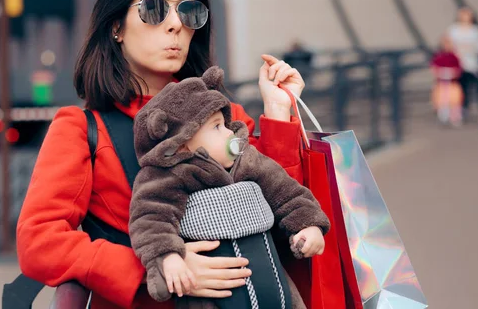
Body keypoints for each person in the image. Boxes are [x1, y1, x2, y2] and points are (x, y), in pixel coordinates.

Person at [16, 0, 316, 309]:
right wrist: (156, 266)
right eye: (154, 8)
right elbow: (39, 241)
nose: (175, 24)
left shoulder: (225, 115)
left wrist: (279, 113)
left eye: (188, 11)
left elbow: (281, 208)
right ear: (117, 28)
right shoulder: (83, 129)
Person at [129, 66, 330, 309]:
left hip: (273, 284)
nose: (229, 134)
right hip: (211, 294)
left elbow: (285, 191)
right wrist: (167, 257)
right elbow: (150, 219)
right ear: (181, 146)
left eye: (225, 124)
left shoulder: (247, 159)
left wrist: (308, 224)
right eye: (216, 127)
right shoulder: (166, 178)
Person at [446, 6, 478, 116]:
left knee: (473, 85)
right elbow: (448, 45)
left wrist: (471, 48)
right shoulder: (453, 29)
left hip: (472, 64)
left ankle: (474, 105)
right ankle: (461, 107)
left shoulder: (476, 31)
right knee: (460, 87)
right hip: (458, 63)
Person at [430, 34, 464, 127]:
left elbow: (459, 68)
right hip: (441, 83)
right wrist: (439, 73)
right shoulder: (438, 56)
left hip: (453, 83)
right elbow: (434, 67)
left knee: (455, 100)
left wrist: (454, 73)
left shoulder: (454, 56)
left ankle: (455, 117)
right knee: (442, 100)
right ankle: (443, 116)